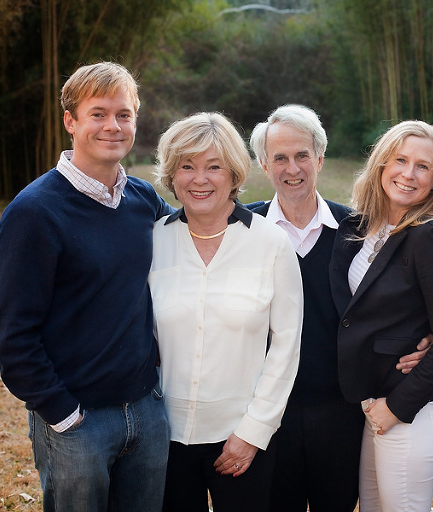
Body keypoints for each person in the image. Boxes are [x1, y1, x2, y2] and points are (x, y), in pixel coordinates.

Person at [0, 62, 173, 512]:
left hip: (146, 410)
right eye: (98, 113)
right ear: (70, 121)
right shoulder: (34, 212)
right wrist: (63, 414)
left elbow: (202, 231)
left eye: (124, 115)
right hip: (78, 421)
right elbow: (11, 336)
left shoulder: (142, 199)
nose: (113, 125)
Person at [149, 112, 303, 512]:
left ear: (234, 174)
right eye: (187, 166)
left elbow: (286, 346)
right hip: (164, 435)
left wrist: (253, 432)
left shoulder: (271, 243)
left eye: (213, 167)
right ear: (172, 174)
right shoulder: (154, 240)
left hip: (241, 436)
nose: (200, 179)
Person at [330, 120, 433, 511]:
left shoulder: (431, 235)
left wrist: (395, 408)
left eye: (423, 166)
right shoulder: (363, 227)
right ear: (381, 165)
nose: (408, 174)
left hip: (411, 412)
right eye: (400, 160)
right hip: (373, 404)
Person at [248, 104, 363, 512]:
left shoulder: (357, 231)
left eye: (301, 155)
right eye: (280, 157)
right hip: (268, 414)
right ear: (264, 163)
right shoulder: (245, 231)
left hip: (340, 413)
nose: (292, 167)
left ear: (320, 157)